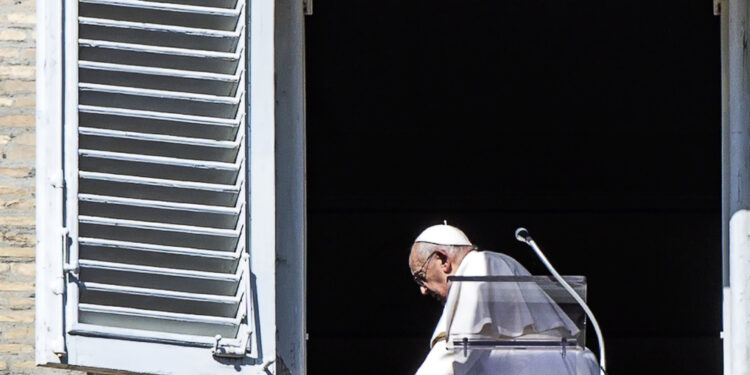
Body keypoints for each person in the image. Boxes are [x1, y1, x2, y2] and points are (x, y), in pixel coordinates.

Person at [408, 223, 600, 375]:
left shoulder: (478, 265)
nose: (423, 290)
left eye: (420, 277)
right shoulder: (499, 262)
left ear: (443, 260)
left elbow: (457, 349)